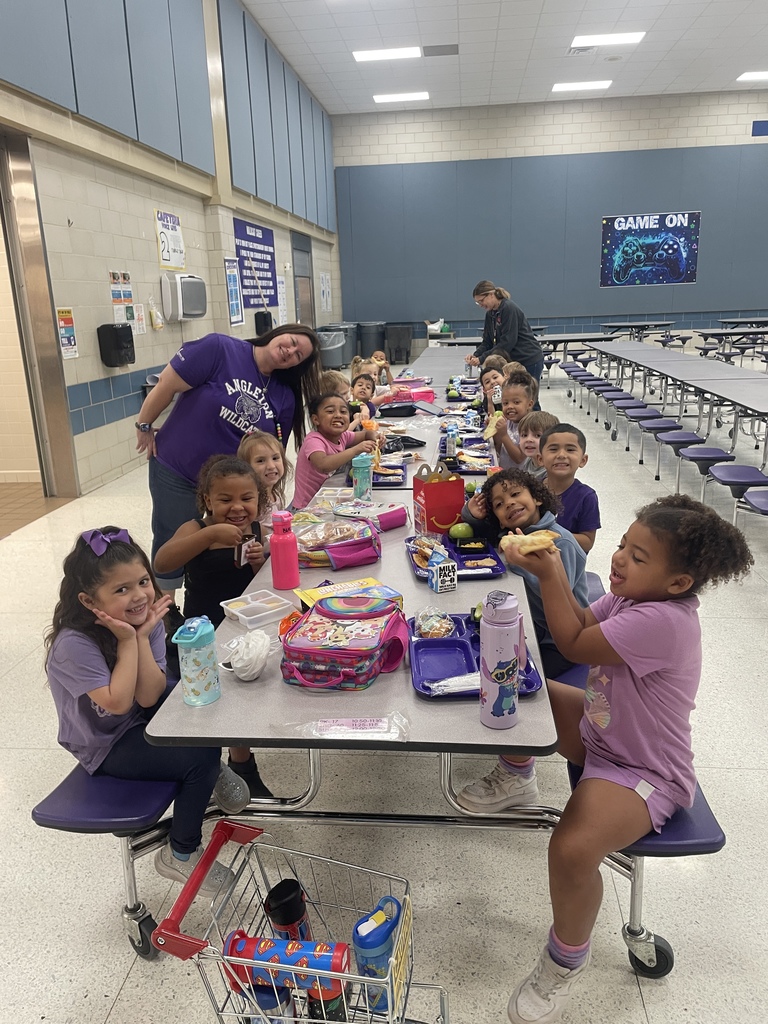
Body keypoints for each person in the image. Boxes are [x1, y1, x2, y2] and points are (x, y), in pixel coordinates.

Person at [497, 495, 753, 1024]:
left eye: (638, 557)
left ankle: (564, 962)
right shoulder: (630, 598)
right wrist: (547, 566)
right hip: (602, 732)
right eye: (622, 546)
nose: (618, 559)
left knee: (571, 849)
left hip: (643, 770)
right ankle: (517, 776)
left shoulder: (664, 621)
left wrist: (545, 572)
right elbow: (582, 619)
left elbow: (573, 642)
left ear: (678, 583)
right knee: (517, 692)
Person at [46, 527, 250, 897]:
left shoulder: (145, 620)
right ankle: (181, 852)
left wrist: (141, 636)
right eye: (121, 590)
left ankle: (209, 770)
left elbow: (149, 694)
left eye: (143, 581)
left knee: (200, 700)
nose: (139, 595)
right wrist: (129, 641)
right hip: (106, 744)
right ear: (89, 601)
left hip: (137, 714)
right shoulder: (73, 644)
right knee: (199, 759)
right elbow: (119, 702)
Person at [134, 324, 321, 601]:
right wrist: (144, 424)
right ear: (278, 332)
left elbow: (273, 450)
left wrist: (264, 493)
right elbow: (167, 384)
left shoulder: (283, 394)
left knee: (223, 547)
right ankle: (166, 611)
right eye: (292, 341)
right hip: (177, 469)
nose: (290, 351)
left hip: (228, 489)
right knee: (171, 539)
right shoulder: (220, 349)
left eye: (298, 355)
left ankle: (215, 603)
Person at [154, 456, 272, 799]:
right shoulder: (195, 528)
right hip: (202, 636)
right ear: (207, 500)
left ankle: (243, 766)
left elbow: (264, 589)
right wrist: (209, 535)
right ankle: (208, 769)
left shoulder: (259, 532)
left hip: (242, 632)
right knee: (210, 704)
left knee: (240, 702)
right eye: (225, 499)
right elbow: (162, 561)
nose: (237, 507)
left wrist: (259, 564)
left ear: (258, 499)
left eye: (246, 498)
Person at [460, 467, 588, 685]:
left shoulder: (559, 543)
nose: (509, 503)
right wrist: (471, 514)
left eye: (516, 494)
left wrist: (519, 564)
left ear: (537, 498)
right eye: (499, 504)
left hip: (557, 642)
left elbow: (555, 597)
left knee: (510, 680)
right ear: (500, 521)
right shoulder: (513, 534)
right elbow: (481, 534)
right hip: (529, 626)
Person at [291, 394, 381, 509]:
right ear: (316, 419)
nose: (338, 415)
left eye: (343, 411)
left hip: (328, 502)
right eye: (330, 411)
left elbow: (366, 434)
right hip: (307, 507)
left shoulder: (342, 436)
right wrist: (355, 450)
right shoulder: (313, 440)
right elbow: (323, 465)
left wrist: (376, 437)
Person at [465, 281, 544, 393]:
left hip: (529, 359)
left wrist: (481, 359)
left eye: (481, 301)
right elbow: (487, 342)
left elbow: (507, 342)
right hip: (513, 362)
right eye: (478, 303)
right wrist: (476, 355)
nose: (481, 305)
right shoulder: (490, 314)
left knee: (530, 397)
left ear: (491, 294)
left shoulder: (508, 308)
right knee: (515, 396)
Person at [538, 423, 601, 554]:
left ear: (583, 460)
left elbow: (587, 542)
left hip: (567, 563)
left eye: (570, 450)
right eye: (553, 449)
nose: (561, 455)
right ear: (540, 459)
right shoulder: (530, 489)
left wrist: (550, 535)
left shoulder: (586, 497)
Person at [237, 430, 293, 550]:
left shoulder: (275, 494)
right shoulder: (253, 501)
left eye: (275, 458)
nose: (271, 466)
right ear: (246, 467)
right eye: (261, 461)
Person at [494, 372, 536, 469]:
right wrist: (495, 431)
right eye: (505, 403)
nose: (510, 406)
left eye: (516, 402)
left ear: (529, 404)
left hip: (521, 476)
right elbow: (499, 449)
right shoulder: (508, 422)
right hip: (505, 473)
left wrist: (503, 435)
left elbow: (519, 458)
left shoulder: (531, 428)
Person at [517, 410, 559, 480]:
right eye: (524, 435)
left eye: (537, 435)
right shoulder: (528, 460)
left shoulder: (551, 471)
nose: (529, 439)